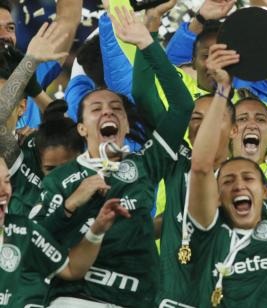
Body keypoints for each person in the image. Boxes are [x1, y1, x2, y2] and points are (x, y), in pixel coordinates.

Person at [34, 5, 195, 306]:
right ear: (81, 128)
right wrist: (70, 205)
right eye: (96, 109)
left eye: (116, 108)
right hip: (77, 299)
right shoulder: (60, 179)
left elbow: (182, 108)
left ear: (124, 123)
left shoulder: (146, 163)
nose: (108, 110)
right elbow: (32, 242)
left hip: (140, 299)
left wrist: (147, 41)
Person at [111, 7, 236, 306]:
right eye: (195, 119)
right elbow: (144, 93)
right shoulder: (176, 154)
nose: (200, 125)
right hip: (167, 290)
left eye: (211, 119)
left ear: (235, 128)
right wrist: (148, 34)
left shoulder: (245, 173)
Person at [186, 41, 267, 306]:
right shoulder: (206, 229)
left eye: (249, 179)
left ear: (265, 190)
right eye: (228, 181)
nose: (239, 186)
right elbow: (200, 167)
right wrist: (222, 90)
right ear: (216, 195)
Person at [0, 155, 131, 307]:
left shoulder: (21, 230)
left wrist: (97, 230)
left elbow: (72, 269)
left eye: (7, 181)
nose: (4, 190)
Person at [0, 23, 82, 219]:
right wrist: (30, 62)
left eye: (4, 96)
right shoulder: (11, 152)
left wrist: (35, 90)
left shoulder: (32, 145)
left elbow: (71, 136)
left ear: (22, 107)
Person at [0, 0, 83, 129]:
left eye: (10, 28)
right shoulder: (29, 66)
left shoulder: (32, 73)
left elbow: (68, 18)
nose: (5, 36)